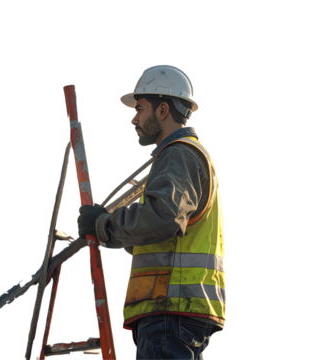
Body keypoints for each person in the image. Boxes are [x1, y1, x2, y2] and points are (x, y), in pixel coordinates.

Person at [77, 63, 226, 359]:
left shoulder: (179, 154)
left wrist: (104, 224)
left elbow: (163, 217)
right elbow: (159, 232)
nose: (134, 120)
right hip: (174, 309)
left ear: (162, 111)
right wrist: (108, 231)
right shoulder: (182, 157)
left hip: (171, 307)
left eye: (140, 109)